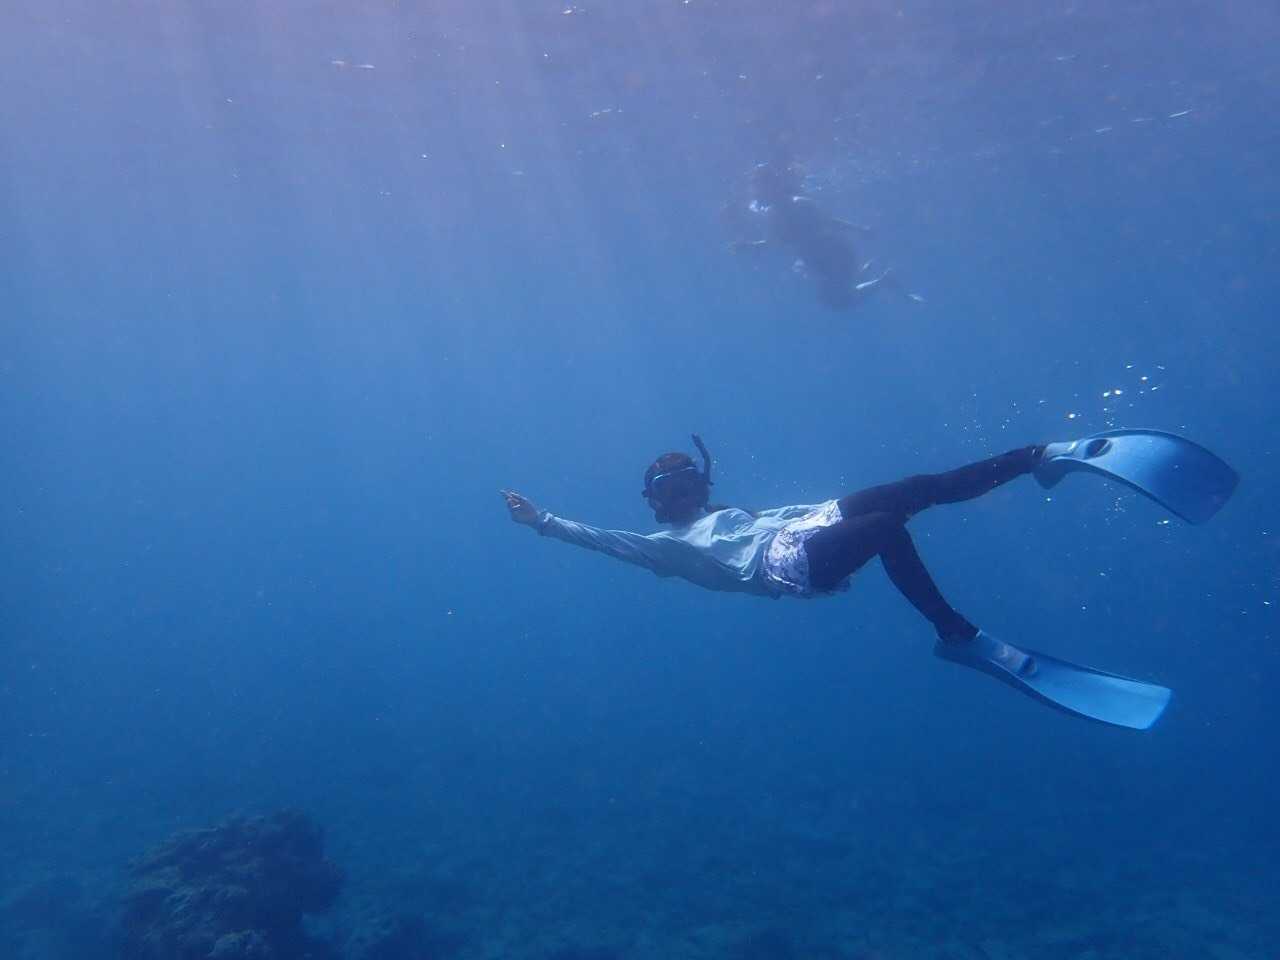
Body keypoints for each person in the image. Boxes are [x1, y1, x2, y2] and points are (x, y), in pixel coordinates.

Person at [503, 430, 1238, 730]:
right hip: (781, 566)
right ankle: (957, 636)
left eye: (688, 479)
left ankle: (1041, 454)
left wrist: (825, 516)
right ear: (655, 505)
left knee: (915, 486)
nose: (681, 493)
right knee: (887, 528)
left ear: (703, 480)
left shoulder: (731, 510)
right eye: (667, 490)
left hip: (804, 525)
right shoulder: (664, 547)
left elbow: (788, 512)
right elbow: (600, 540)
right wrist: (542, 521)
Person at [720, 159, 922, 310]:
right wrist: (750, 246)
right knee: (836, 298)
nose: (756, 193)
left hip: (831, 255)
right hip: (820, 259)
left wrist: (860, 229)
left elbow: (829, 222)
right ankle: (871, 277)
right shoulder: (778, 212)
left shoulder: (798, 205)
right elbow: (776, 241)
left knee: (838, 301)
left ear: (771, 187)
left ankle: (883, 281)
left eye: (758, 187)